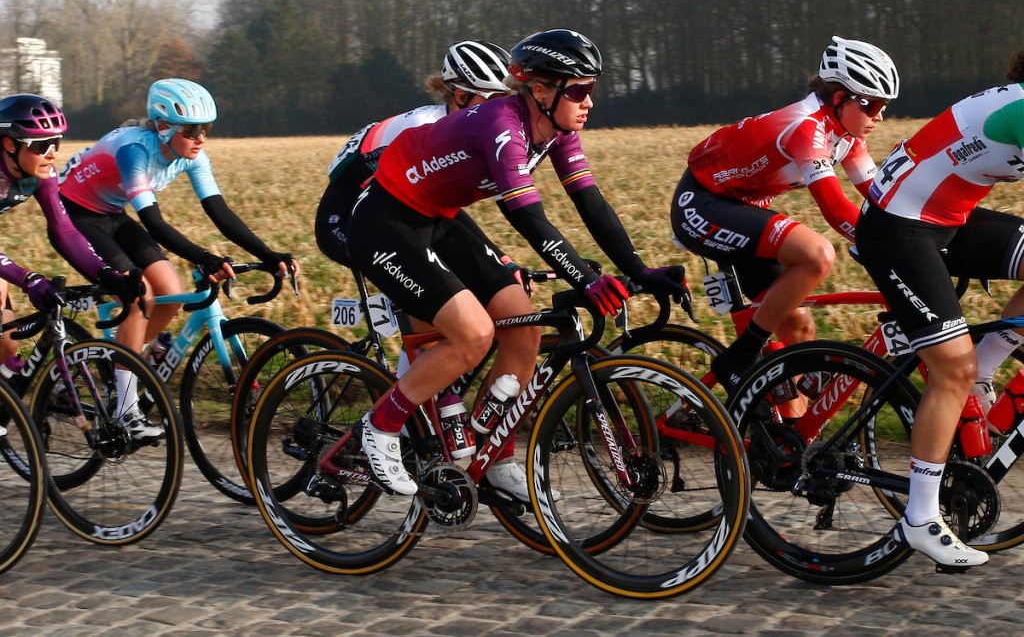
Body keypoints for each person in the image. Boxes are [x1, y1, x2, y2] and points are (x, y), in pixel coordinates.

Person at [345, 28, 688, 497]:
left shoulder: (558, 131)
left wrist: (640, 269)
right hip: (387, 220)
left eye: (593, 89)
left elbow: (592, 203)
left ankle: (497, 457)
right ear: (542, 91)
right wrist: (586, 279)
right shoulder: (502, 123)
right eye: (580, 90)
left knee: (523, 328)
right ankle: (380, 426)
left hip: (441, 218)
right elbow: (527, 216)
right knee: (473, 334)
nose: (589, 102)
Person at [853, 50, 1024, 568]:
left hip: (944, 218)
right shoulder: (1020, 110)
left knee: (969, 367)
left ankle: (984, 365)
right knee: (952, 369)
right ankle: (921, 518)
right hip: (898, 229)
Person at [58, 79, 296, 439]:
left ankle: (123, 359)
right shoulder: (135, 150)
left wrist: (268, 254)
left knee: (170, 291)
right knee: (140, 296)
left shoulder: (193, 156)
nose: (201, 138)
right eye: (192, 130)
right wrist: (205, 257)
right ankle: (124, 409)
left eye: (206, 129)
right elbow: (153, 222)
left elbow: (219, 210)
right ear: (164, 127)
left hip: (111, 210)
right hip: (76, 216)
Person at [670, 36, 899, 391]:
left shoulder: (847, 134)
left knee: (799, 331)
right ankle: (742, 355)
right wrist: (893, 249)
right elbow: (835, 208)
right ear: (839, 98)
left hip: (739, 207)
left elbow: (878, 196)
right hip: (701, 204)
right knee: (817, 255)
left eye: (884, 105)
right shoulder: (806, 127)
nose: (881, 115)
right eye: (874, 105)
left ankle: (788, 438)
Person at [318, 40, 519, 387]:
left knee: (465, 309)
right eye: (494, 100)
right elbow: (380, 198)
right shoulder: (425, 128)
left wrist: (501, 261)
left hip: (406, 216)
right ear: (460, 97)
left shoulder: (468, 131)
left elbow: (442, 210)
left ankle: (425, 402)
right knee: (435, 318)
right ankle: (406, 420)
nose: (503, 112)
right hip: (349, 215)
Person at [0, 94, 141, 418]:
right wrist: (27, 279)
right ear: (9, 144)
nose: (50, 154)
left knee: (8, 347)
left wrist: (108, 275)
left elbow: (64, 230)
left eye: (56, 143)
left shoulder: (42, 174)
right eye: (40, 146)